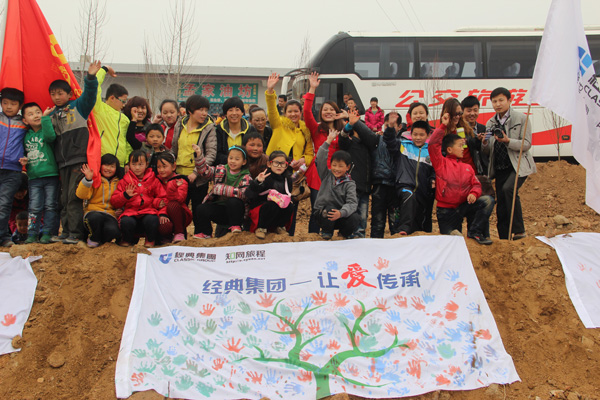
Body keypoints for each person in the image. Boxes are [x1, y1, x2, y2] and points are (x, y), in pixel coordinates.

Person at [49, 61, 100, 244]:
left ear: (69, 94)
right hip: (61, 162)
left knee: (73, 197)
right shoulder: (51, 115)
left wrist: (91, 77)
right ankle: (65, 232)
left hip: (78, 160)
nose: (56, 97)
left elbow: (90, 95)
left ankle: (76, 234)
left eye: (60, 93)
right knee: (63, 199)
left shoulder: (78, 107)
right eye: (53, 94)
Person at [429, 112, 495, 245]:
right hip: (446, 211)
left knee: (487, 200)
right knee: (453, 240)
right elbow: (433, 144)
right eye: (460, 145)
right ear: (449, 149)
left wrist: (474, 193)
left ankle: (475, 232)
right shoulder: (441, 163)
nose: (463, 148)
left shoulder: (467, 167)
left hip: (463, 206)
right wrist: (443, 126)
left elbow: (476, 185)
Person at [483, 87, 536, 240]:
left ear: (509, 100)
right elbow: (487, 150)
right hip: (499, 167)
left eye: (501, 100)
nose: (498, 104)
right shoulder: (490, 122)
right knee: (501, 201)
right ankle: (504, 237)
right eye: (494, 101)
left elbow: (526, 144)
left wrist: (507, 141)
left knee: (509, 189)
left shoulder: (521, 119)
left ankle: (519, 231)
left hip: (517, 165)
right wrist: (485, 142)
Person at [265, 73, 314, 235]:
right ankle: (271, 232)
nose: (293, 114)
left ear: (300, 113)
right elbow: (272, 111)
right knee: (273, 202)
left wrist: (303, 160)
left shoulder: (305, 130)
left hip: (294, 175)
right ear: (285, 112)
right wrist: (270, 91)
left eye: (296, 111)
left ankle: (290, 234)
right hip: (275, 172)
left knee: (291, 205)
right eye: (290, 111)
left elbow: (309, 153)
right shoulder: (279, 125)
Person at [303, 72, 346, 234]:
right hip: (318, 175)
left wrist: (347, 119)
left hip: (338, 174)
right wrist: (312, 89)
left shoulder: (344, 130)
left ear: (337, 112)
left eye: (331, 109)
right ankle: (313, 238)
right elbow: (306, 111)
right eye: (325, 109)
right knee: (317, 209)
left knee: (335, 208)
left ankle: (331, 236)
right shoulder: (316, 129)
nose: (328, 112)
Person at [384, 120, 435, 234]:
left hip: (422, 190)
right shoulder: (404, 146)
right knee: (409, 196)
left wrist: (433, 179)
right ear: (411, 134)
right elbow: (390, 141)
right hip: (404, 185)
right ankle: (403, 228)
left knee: (420, 221)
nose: (418, 138)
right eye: (415, 134)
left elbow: (435, 169)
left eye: (421, 135)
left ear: (428, 135)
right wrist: (390, 128)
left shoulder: (431, 151)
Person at [20, 103, 60, 244]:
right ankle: (32, 233)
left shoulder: (45, 129)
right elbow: (23, 152)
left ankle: (48, 233)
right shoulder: (25, 135)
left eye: (38, 112)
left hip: (51, 175)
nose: (36, 115)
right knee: (34, 207)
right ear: (25, 120)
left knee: (50, 205)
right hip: (34, 177)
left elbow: (51, 137)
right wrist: (23, 159)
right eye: (30, 114)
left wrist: (45, 118)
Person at [192, 145, 251, 238]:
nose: (233, 161)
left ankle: (236, 226)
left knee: (233, 201)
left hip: (237, 212)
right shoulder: (220, 169)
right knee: (201, 208)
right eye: (230, 158)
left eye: (237, 159)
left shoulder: (246, 176)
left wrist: (220, 189)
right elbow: (205, 171)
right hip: (221, 210)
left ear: (244, 162)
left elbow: (244, 194)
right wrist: (199, 156)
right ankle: (206, 233)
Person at [171, 95, 217, 213]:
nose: (204, 113)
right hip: (179, 175)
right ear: (190, 111)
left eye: (206, 110)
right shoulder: (180, 124)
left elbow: (211, 154)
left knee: (198, 212)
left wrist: (196, 172)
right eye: (200, 110)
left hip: (198, 179)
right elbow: (174, 148)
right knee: (178, 211)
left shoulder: (209, 128)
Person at [336, 110, 379, 237]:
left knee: (363, 213)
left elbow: (373, 138)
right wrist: (350, 124)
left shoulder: (369, 146)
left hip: (365, 187)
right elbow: (342, 137)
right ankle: (347, 233)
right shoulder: (349, 143)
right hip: (352, 186)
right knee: (351, 211)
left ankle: (360, 234)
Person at [110, 150, 163, 247]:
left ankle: (150, 240)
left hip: (148, 211)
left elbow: (162, 196)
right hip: (130, 212)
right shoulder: (125, 181)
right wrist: (125, 195)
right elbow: (114, 202)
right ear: (129, 165)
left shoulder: (153, 180)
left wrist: (157, 202)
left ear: (146, 164)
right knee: (126, 221)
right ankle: (127, 240)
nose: (137, 168)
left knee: (152, 219)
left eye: (140, 164)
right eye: (134, 164)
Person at [313, 129, 360, 240]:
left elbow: (352, 203)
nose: (336, 169)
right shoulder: (326, 175)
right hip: (323, 214)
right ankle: (326, 231)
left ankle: (344, 234)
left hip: (339, 215)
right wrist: (328, 141)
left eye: (340, 166)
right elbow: (320, 159)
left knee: (355, 217)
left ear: (347, 167)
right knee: (329, 208)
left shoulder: (350, 184)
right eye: (334, 165)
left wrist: (341, 213)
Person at [76, 155, 123, 247]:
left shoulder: (119, 182)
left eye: (112, 166)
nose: (108, 169)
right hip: (93, 212)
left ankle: (101, 242)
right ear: (100, 165)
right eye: (106, 165)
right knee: (96, 218)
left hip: (110, 214)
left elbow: (122, 198)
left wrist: (121, 209)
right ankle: (93, 239)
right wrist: (87, 179)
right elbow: (81, 195)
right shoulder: (95, 179)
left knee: (113, 230)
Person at [0, 87, 27, 247]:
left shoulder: (24, 123)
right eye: (5, 103)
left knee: (4, 204)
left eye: (13, 103)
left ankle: (3, 237)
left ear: (20, 105)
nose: (9, 107)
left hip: (13, 170)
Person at [245, 150, 294, 239]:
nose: (279, 166)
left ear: (286, 165)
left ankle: (280, 226)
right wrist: (258, 182)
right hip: (263, 208)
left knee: (289, 206)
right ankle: (261, 228)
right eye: (276, 163)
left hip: (279, 207)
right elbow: (249, 194)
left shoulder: (288, 180)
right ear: (269, 164)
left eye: (282, 163)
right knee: (272, 205)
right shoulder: (264, 176)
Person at [94, 65, 131, 168]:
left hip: (120, 165)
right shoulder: (99, 108)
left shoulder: (125, 119)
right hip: (102, 162)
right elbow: (94, 86)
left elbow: (126, 142)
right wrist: (104, 69)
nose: (124, 105)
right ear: (112, 98)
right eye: (123, 101)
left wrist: (127, 161)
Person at [155, 152, 192, 243]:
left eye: (164, 166)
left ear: (173, 166)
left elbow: (179, 199)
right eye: (159, 167)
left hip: (178, 213)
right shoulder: (155, 180)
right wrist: (157, 202)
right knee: (164, 225)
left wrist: (172, 186)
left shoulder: (181, 180)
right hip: (161, 213)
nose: (161, 170)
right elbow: (151, 197)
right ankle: (166, 238)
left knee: (172, 205)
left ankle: (179, 233)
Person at [215, 97, 254, 165]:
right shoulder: (218, 130)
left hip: (246, 167)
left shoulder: (250, 130)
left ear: (242, 112)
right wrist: (232, 162)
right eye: (230, 110)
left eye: (237, 110)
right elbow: (217, 153)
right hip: (224, 168)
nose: (234, 113)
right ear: (225, 113)